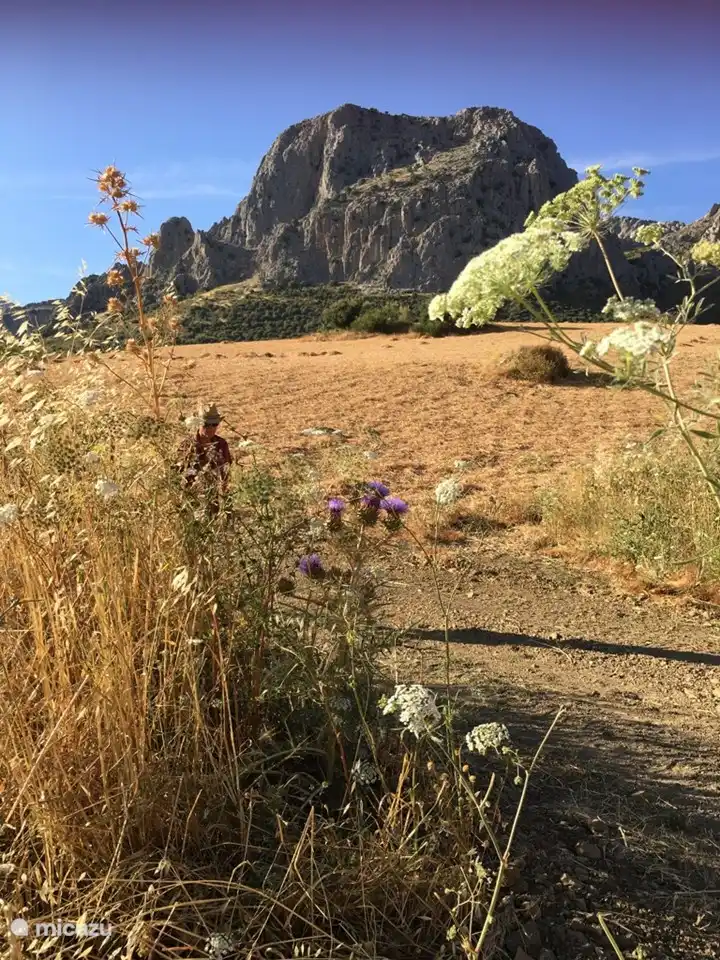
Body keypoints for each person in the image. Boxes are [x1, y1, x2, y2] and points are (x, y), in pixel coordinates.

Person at [177, 404, 233, 498]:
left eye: (214, 424)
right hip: (190, 495)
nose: (210, 428)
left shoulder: (221, 444)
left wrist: (224, 495)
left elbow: (226, 472)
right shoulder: (187, 444)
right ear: (198, 424)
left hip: (213, 495)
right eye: (206, 424)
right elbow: (178, 472)